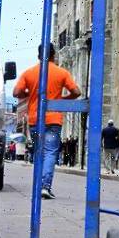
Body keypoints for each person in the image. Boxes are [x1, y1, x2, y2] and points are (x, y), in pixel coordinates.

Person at [13, 44, 81, 199]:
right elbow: (76, 92)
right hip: (54, 119)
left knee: (39, 152)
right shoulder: (61, 72)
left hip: (35, 119)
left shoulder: (29, 73)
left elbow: (16, 92)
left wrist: (29, 94)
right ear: (53, 55)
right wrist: (62, 99)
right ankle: (45, 186)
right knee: (50, 152)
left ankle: (39, 186)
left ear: (38, 55)